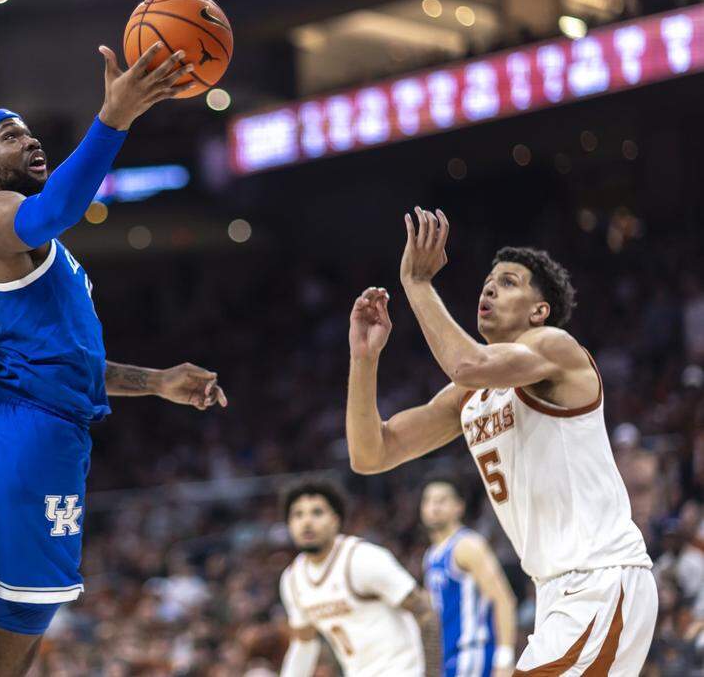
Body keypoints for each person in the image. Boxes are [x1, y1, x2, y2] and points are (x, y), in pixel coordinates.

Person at [0, 43, 228, 675]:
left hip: (25, 423)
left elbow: (67, 364)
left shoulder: (31, 242)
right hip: (31, 437)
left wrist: (155, 381)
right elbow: (61, 207)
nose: (32, 141)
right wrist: (114, 117)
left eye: (29, 131)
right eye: (10, 137)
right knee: (15, 628)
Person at [345, 207, 657, 675]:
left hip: (601, 576)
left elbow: (466, 364)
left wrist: (418, 284)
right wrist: (364, 359)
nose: (489, 287)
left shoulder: (556, 346)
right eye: (489, 280)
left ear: (539, 310)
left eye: (509, 281)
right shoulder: (468, 396)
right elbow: (372, 454)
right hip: (555, 589)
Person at [277, 479, 442, 676]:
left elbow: (425, 612)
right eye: (298, 515)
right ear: (288, 524)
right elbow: (304, 645)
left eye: (317, 512)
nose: (307, 522)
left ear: (335, 520)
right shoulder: (292, 579)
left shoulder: (362, 558)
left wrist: (432, 673)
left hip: (403, 669)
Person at [420, 476, 518, 677]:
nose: (433, 506)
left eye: (441, 500)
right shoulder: (430, 555)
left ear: (459, 507)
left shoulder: (468, 545)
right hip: (446, 658)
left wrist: (504, 658)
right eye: (428, 501)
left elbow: (504, 600)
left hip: (474, 654)